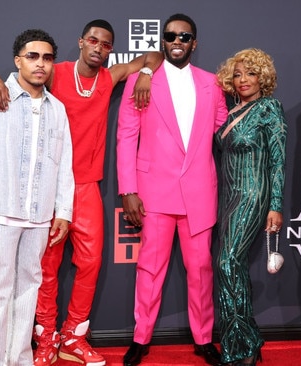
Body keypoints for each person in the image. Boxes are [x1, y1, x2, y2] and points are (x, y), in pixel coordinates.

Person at [0, 19, 163, 366]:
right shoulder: (56, 72)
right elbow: (19, 75)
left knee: (91, 263)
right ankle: (46, 337)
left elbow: (154, 56)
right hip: (49, 186)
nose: (99, 47)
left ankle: (73, 336)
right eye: (94, 40)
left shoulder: (110, 77)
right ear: (82, 42)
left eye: (107, 44)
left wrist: (145, 73)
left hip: (87, 187)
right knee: (46, 264)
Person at [117, 13, 228, 366]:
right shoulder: (140, 80)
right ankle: (140, 337)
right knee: (150, 268)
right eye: (170, 36)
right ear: (162, 41)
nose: (177, 41)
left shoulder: (212, 83)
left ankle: (204, 338)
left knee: (201, 270)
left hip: (199, 191)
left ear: (194, 43)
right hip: (153, 192)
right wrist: (128, 190)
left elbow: (224, 130)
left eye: (184, 36)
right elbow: (126, 137)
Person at [0, 29, 74, 366]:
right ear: (18, 60)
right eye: (32, 56)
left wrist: (64, 211)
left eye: (47, 57)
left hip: (40, 217)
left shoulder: (57, 109)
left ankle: (19, 360)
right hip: (0, 215)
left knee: (29, 290)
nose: (40, 64)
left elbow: (64, 163)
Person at [214, 48, 287, 366]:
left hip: (253, 195)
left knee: (227, 263)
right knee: (233, 266)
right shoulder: (229, 112)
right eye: (238, 74)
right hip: (227, 197)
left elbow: (278, 160)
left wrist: (275, 205)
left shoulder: (270, 108)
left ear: (263, 78)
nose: (243, 80)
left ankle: (240, 346)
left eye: (251, 73)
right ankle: (247, 341)